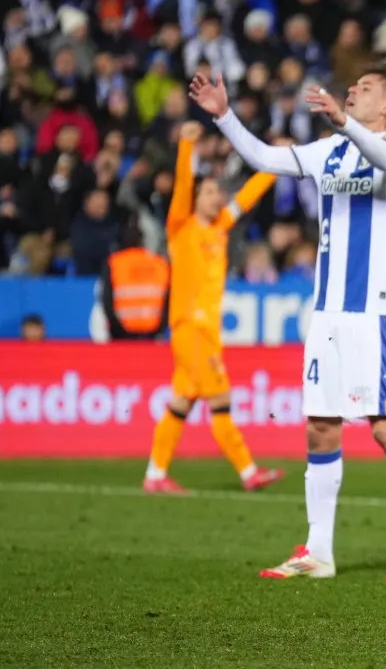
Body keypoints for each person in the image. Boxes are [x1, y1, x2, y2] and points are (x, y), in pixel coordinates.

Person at [188, 67, 386, 581]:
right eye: (353, 87)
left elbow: (384, 158)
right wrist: (225, 117)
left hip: (375, 312)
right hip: (326, 315)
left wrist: (346, 123)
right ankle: (318, 552)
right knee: (320, 429)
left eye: (365, 88)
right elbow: (264, 158)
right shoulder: (329, 150)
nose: (352, 90)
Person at [144, 120, 285, 495]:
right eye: (207, 192)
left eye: (216, 192)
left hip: (205, 330)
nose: (215, 196)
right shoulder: (181, 228)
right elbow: (182, 188)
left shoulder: (220, 227)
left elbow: (247, 196)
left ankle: (155, 475)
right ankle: (248, 471)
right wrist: (187, 147)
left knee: (181, 402)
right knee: (220, 400)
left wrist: (279, 163)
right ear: (196, 199)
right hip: (190, 327)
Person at [101, 225, 170, 341]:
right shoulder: (160, 264)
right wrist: (159, 329)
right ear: (142, 241)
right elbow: (169, 301)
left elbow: (107, 301)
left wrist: (118, 330)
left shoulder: (114, 263)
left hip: (122, 337)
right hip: (153, 336)